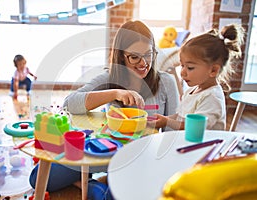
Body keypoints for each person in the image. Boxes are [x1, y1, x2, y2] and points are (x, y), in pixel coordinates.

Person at [29, 20, 179, 199]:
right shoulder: (109, 79)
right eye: (134, 57)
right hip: (106, 154)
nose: (143, 63)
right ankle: (93, 185)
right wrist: (114, 93)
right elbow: (69, 104)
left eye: (148, 54)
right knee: (36, 177)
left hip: (143, 158)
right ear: (122, 56)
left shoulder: (166, 82)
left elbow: (172, 134)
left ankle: (97, 186)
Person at [151, 24, 245, 131]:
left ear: (213, 70)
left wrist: (167, 122)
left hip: (206, 146)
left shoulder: (212, 97)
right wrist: (163, 119)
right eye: (182, 66)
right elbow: (181, 117)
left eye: (190, 68)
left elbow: (194, 126)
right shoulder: (192, 90)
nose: (182, 73)